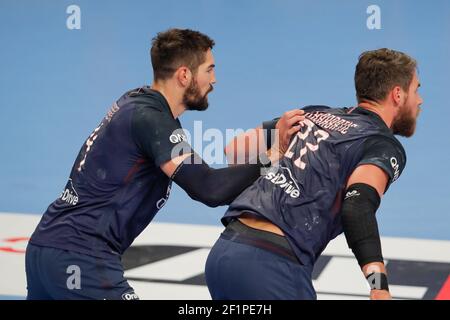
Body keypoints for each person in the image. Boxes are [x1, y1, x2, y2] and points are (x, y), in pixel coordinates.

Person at [25, 28, 304, 300]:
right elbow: (208, 188)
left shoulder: (140, 104)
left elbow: (205, 176)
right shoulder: (152, 120)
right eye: (209, 69)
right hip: (80, 258)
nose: (215, 80)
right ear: (185, 75)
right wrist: (273, 156)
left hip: (45, 249)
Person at [205, 48, 423, 300]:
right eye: (416, 89)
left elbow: (235, 150)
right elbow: (357, 208)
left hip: (224, 254)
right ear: (397, 94)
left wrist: (276, 152)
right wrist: (379, 286)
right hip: (272, 268)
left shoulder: (311, 114)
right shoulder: (381, 144)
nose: (419, 100)